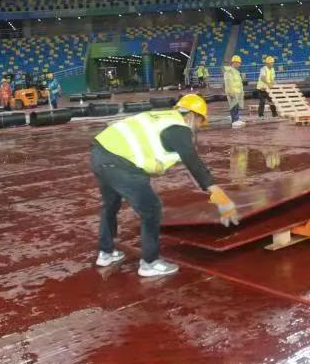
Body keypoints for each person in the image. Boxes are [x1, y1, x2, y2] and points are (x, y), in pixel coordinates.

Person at [90, 94, 239, 277]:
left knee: (110, 204)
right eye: (201, 122)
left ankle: (105, 253)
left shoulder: (162, 117)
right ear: (192, 116)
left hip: (99, 153)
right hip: (120, 164)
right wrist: (217, 192)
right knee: (151, 209)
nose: (200, 127)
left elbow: (146, 146)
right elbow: (193, 161)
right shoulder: (179, 128)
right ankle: (150, 263)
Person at [224, 55, 246, 128]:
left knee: (236, 106)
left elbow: (239, 83)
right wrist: (231, 92)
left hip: (237, 92)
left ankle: (236, 119)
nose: (239, 64)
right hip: (232, 92)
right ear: (234, 63)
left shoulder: (236, 72)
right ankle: (235, 121)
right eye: (238, 63)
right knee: (234, 106)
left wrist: (241, 92)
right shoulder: (229, 71)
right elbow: (228, 83)